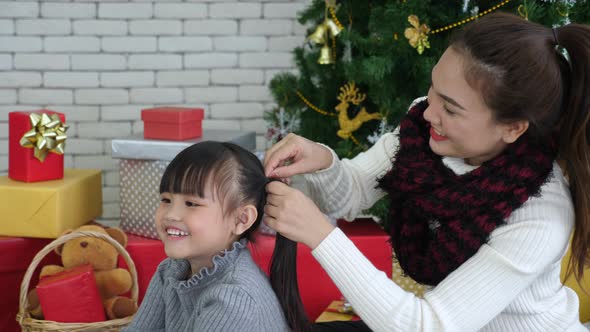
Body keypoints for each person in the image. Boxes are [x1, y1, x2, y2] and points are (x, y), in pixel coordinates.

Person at [263, 12, 590, 332]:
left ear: (512, 128)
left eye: (450, 108)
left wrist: (321, 235)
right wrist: (322, 159)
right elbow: (350, 193)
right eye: (433, 90)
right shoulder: (422, 133)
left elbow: (428, 325)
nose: (429, 112)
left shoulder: (540, 217)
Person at [124, 141, 292, 332]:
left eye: (191, 203)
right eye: (166, 200)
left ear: (241, 219)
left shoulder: (232, 299)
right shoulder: (170, 271)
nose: (171, 214)